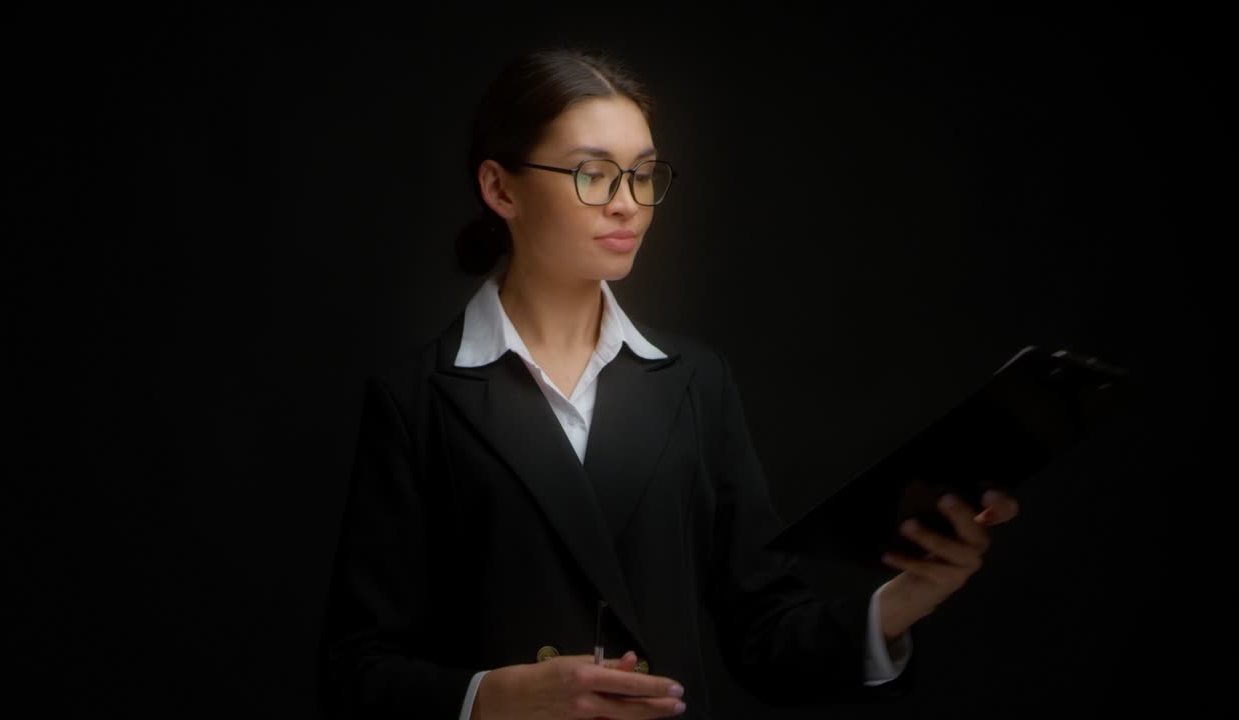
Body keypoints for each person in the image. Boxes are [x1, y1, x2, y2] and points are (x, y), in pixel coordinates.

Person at [318, 47, 1020, 720]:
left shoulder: (694, 382)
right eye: (594, 173)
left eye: (645, 174)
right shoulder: (416, 398)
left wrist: (906, 598)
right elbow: (357, 671)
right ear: (501, 187)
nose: (628, 204)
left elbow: (764, 633)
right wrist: (493, 700)